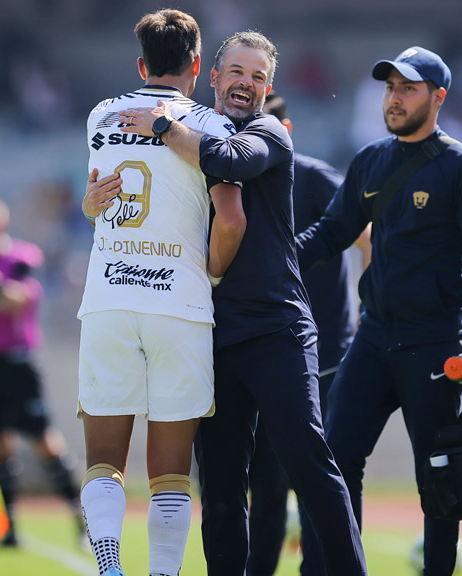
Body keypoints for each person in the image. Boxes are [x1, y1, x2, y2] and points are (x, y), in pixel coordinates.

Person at [118, 31, 368, 576]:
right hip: (209, 334)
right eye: (237, 72)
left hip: (276, 327)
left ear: (268, 88)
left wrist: (161, 124)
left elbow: (234, 159)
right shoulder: (189, 136)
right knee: (224, 487)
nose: (246, 84)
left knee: (309, 460)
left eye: (258, 77)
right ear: (213, 75)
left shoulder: (269, 131)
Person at [295, 46, 462, 576]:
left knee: (439, 473)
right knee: (336, 460)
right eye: (390, 88)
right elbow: (333, 232)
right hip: (375, 338)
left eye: (407, 88)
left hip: (435, 343)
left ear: (437, 97)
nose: (394, 97)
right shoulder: (370, 160)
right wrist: (276, 261)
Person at [77, 10, 245, 576]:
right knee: (170, 472)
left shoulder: (102, 113)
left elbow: (99, 201)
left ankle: (107, 564)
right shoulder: (212, 125)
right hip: (180, 304)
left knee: (103, 462)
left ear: (141, 64)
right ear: (197, 65)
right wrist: (213, 274)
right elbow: (230, 221)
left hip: (108, 300)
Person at [246, 92, 371, 576]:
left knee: (317, 479)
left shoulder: (314, 177)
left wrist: (368, 311)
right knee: (267, 487)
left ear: (286, 129)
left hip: (323, 356)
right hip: (262, 351)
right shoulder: (236, 183)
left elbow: (369, 235)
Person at [0, 190, 84, 548]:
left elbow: (17, 300)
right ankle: (9, 528)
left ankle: (80, 518)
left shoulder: (19, 258)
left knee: (45, 442)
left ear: (0, 222)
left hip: (14, 363)